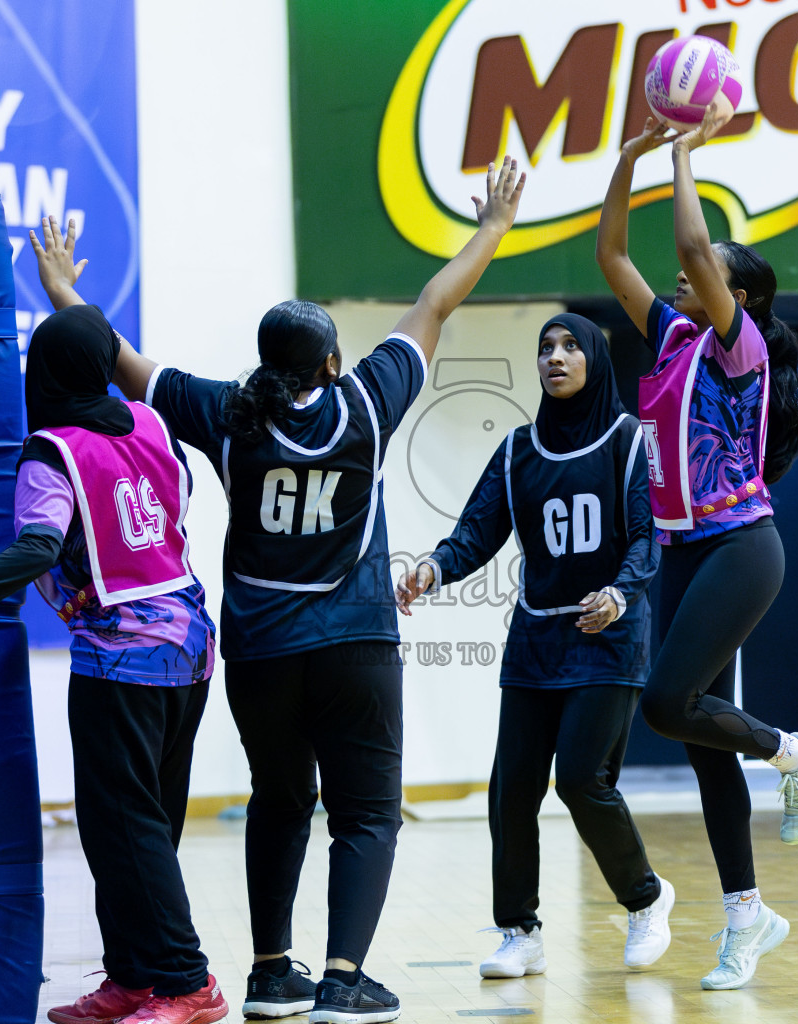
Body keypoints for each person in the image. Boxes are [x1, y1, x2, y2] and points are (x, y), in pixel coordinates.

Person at [100, 159, 525, 1024]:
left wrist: (64, 288)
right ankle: (341, 980)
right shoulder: (365, 402)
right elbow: (433, 302)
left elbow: (127, 366)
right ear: (333, 360)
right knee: (365, 813)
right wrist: (491, 228)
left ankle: (269, 974)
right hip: (355, 644)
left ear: (265, 361)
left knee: (279, 800)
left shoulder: (227, 415)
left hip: (261, 653)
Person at [0, 218, 226, 1024]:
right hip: (191, 646)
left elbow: (38, 546)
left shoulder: (51, 451)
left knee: (125, 828)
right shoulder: (152, 423)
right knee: (139, 825)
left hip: (122, 658)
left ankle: (186, 983)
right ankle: (134, 977)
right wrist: (66, 291)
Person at [595, 111, 798, 991]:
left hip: (741, 543)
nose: (686, 273)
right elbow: (611, 257)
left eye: (709, 273)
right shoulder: (671, 337)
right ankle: (746, 919)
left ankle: (794, 752)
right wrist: (627, 162)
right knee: (701, 740)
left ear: (739, 297)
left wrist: (686, 152)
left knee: (665, 704)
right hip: (687, 549)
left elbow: (693, 244)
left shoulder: (740, 349)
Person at [395, 313, 671, 978]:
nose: (556, 357)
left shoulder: (628, 440)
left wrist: (621, 592)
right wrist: (433, 567)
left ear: (594, 359)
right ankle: (519, 930)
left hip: (608, 635)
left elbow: (646, 534)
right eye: (545, 347)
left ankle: (645, 898)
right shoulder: (518, 449)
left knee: (580, 779)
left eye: (571, 346)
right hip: (535, 639)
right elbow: (475, 530)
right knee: (511, 789)